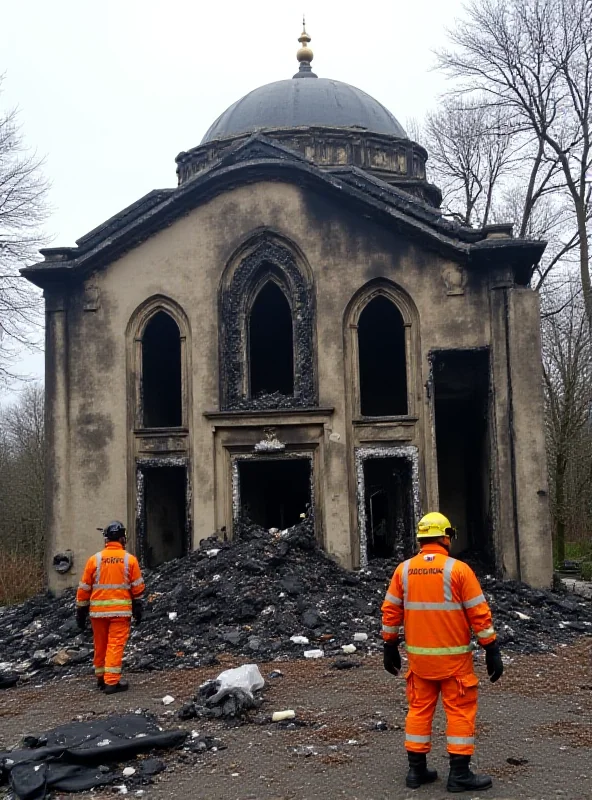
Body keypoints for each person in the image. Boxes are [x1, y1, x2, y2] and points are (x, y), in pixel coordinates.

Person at [381, 512, 503, 793]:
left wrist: (389, 645)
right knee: (460, 713)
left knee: (419, 711)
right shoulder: (459, 570)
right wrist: (491, 648)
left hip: (420, 661)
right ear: (446, 536)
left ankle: (416, 771)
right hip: (454, 662)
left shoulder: (404, 570)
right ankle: (459, 775)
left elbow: (390, 611)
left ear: (422, 537)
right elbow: (479, 614)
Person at [76, 521, 145, 694]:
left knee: (100, 644)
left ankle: (101, 677)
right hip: (120, 612)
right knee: (115, 645)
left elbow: (84, 588)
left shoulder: (95, 560)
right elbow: (137, 587)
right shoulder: (130, 560)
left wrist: (80, 610)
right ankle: (112, 682)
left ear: (106, 539)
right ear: (123, 538)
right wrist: (138, 607)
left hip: (98, 613)